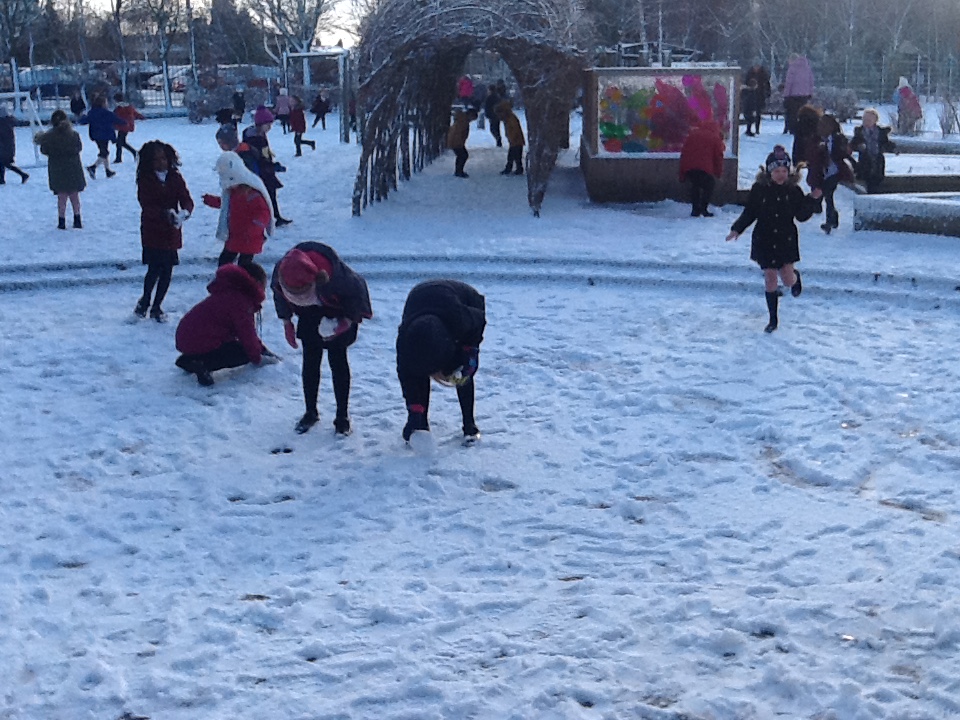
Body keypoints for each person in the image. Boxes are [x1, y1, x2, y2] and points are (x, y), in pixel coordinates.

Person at [271, 243, 373, 435]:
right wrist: (286, 321)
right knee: (310, 360)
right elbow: (278, 294)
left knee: (338, 360)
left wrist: (347, 321)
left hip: (338, 310)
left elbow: (357, 295)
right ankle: (310, 411)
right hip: (309, 314)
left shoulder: (339, 278)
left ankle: (342, 416)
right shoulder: (281, 272)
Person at [726, 145, 822, 333]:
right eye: (776, 171)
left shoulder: (793, 191)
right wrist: (737, 229)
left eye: (784, 171)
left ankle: (795, 278)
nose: (780, 175)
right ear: (769, 172)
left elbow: (801, 215)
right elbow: (750, 212)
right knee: (770, 278)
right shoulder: (759, 189)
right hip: (764, 237)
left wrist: (812, 199)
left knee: (787, 279)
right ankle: (773, 319)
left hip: (786, 238)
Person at [396, 280, 486, 442]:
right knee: (417, 371)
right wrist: (414, 412)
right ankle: (421, 423)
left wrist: (470, 350)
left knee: (462, 372)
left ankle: (469, 424)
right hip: (419, 302)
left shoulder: (462, 320)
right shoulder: (406, 342)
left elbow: (479, 320)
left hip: (467, 301)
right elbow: (407, 376)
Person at [175, 262, 279, 386]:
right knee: (243, 353)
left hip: (187, 338)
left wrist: (262, 349)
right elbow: (246, 334)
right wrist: (257, 357)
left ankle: (189, 359)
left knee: (234, 346)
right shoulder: (241, 302)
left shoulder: (229, 293)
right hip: (202, 340)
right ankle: (204, 364)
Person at [134, 140, 195, 323]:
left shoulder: (175, 177)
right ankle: (145, 300)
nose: (161, 163)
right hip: (152, 229)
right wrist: (164, 213)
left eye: (163, 158)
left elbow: (186, 199)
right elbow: (146, 205)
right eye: (156, 159)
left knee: (167, 270)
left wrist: (184, 213)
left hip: (171, 230)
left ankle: (157, 305)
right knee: (153, 269)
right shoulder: (146, 180)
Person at [202, 151, 273, 267]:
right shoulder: (232, 192)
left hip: (250, 237)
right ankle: (226, 276)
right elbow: (226, 204)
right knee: (225, 261)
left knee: (244, 264)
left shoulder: (253, 195)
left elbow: (263, 212)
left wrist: (255, 226)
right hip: (236, 235)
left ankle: (240, 277)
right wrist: (211, 201)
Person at [34, 109, 86, 229]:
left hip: (57, 168)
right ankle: (77, 219)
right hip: (73, 167)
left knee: (61, 196)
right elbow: (79, 148)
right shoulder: (74, 134)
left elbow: (44, 150)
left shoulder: (49, 136)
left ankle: (61, 221)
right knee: (74, 195)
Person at [242, 106, 291, 226]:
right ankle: (269, 219)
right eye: (267, 124)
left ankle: (274, 217)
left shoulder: (255, 135)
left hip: (261, 171)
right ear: (260, 124)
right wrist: (273, 166)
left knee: (269, 195)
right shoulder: (257, 139)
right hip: (261, 172)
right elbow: (261, 158)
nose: (270, 127)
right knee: (266, 196)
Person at [807, 113, 854, 234]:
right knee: (828, 196)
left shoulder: (838, 138)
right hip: (823, 172)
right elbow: (811, 155)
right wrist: (819, 150)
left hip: (836, 171)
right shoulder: (816, 139)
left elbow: (843, 154)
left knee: (828, 193)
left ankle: (829, 222)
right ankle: (833, 218)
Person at [679, 120, 724, 217]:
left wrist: (682, 174)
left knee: (695, 185)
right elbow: (718, 157)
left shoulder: (693, 134)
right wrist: (718, 174)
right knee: (709, 184)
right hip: (704, 168)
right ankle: (703, 208)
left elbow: (684, 152)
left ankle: (695, 209)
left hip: (689, 166)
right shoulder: (715, 138)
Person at [850, 108, 896, 194]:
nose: (866, 122)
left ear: (875, 121)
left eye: (869, 120)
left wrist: (892, 148)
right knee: (866, 181)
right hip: (865, 162)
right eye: (864, 120)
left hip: (877, 162)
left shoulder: (880, 132)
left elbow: (885, 143)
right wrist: (859, 146)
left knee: (876, 181)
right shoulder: (859, 131)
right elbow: (853, 144)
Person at [79, 95, 124, 179]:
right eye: (106, 102)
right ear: (103, 103)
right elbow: (117, 120)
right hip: (105, 135)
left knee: (104, 151)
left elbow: (84, 121)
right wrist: (126, 121)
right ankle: (93, 167)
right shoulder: (107, 113)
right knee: (104, 153)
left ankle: (107, 171)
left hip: (96, 135)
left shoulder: (92, 112)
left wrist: (82, 116)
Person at [782, 54, 814, 135]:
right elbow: (811, 82)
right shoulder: (807, 68)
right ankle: (802, 128)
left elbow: (789, 83)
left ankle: (792, 129)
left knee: (792, 113)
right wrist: (810, 93)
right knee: (803, 113)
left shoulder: (792, 68)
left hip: (793, 95)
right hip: (805, 95)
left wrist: (786, 95)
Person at [0, 105, 29, 184]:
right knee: (5, 163)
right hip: (9, 146)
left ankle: (2, 179)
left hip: (3, 146)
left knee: (3, 163)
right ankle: (2, 179)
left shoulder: (2, 123)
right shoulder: (10, 120)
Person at [112, 92, 145, 163]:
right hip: (128, 126)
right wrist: (141, 117)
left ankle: (119, 158)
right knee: (122, 142)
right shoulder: (129, 106)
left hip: (122, 127)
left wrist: (113, 125)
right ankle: (134, 153)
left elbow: (115, 118)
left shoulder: (118, 108)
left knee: (119, 143)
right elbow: (135, 113)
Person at [497, 99, 525, 175]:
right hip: (514, 141)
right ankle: (515, 168)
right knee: (514, 156)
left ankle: (514, 169)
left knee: (514, 155)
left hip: (516, 141)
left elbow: (515, 129)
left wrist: (513, 138)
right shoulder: (508, 119)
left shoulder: (511, 119)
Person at [447, 108, 476, 178]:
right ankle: (458, 171)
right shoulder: (463, 121)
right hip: (456, 141)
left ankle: (458, 171)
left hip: (456, 141)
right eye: (472, 118)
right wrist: (459, 142)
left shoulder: (463, 119)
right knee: (463, 156)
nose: (472, 120)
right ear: (470, 115)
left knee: (461, 156)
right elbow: (457, 133)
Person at [744, 63, 771, 135]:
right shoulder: (749, 73)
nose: (756, 68)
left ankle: (757, 129)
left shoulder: (763, 74)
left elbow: (767, 84)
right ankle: (748, 128)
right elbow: (746, 82)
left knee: (758, 113)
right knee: (749, 113)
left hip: (760, 96)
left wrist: (767, 93)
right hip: (750, 95)